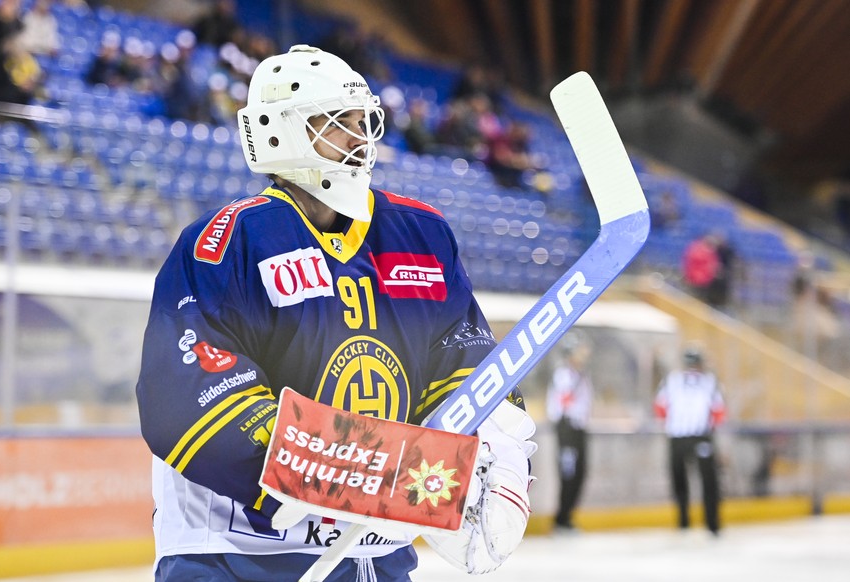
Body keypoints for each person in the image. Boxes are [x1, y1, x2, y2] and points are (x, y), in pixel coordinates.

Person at [136, 45, 536, 581]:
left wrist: (497, 437)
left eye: (361, 120)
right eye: (335, 122)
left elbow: (460, 359)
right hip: (238, 558)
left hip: (377, 557)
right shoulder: (225, 243)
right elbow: (193, 404)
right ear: (277, 133)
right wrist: (385, 479)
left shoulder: (420, 234)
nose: (360, 137)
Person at [654, 345, 726, 535]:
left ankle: (702, 523)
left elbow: (660, 408)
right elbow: (719, 411)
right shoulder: (674, 381)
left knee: (705, 481)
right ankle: (695, 523)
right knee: (686, 481)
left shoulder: (678, 380)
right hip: (691, 436)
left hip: (690, 436)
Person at [545, 332, 593, 533]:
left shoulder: (578, 374)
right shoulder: (564, 374)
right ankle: (561, 519)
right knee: (569, 474)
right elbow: (564, 401)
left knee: (579, 473)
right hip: (567, 428)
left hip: (578, 428)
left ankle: (567, 516)